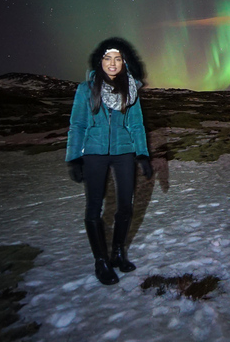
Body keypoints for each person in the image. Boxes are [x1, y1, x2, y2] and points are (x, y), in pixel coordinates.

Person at [65, 37, 154, 285]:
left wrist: (143, 153)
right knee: (94, 207)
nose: (112, 63)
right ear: (99, 61)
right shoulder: (86, 89)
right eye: (107, 58)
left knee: (126, 204)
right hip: (93, 152)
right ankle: (100, 262)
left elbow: (136, 125)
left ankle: (117, 253)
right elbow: (78, 124)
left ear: (124, 63)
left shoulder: (131, 89)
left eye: (117, 59)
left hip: (123, 151)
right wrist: (73, 157)